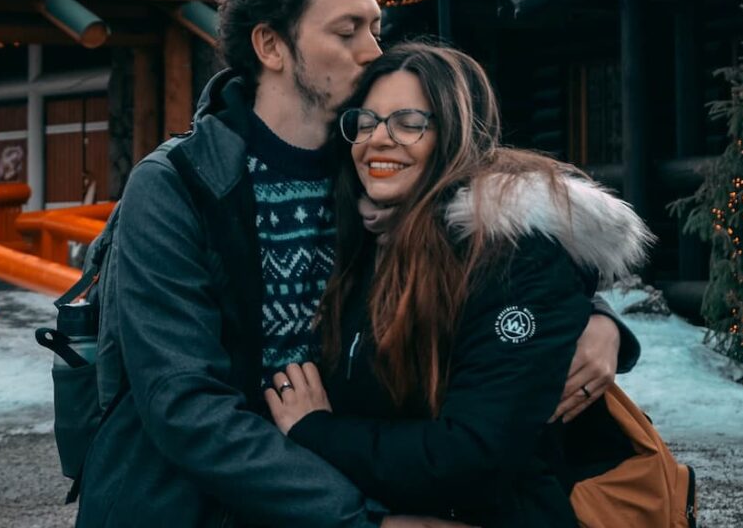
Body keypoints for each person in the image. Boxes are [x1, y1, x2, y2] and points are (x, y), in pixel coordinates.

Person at [76, 0, 636, 528]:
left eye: (373, 26)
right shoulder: (177, 186)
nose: (373, 48)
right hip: (193, 505)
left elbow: (499, 244)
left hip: (348, 481)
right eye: (347, 32)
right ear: (271, 45)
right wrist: (361, 518)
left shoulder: (370, 170)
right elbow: (185, 406)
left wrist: (597, 319)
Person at [265, 42, 654, 527]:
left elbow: (475, 453)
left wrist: (318, 432)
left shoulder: (509, 257)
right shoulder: (369, 240)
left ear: (454, 134)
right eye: (366, 122)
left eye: (409, 123)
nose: (378, 140)